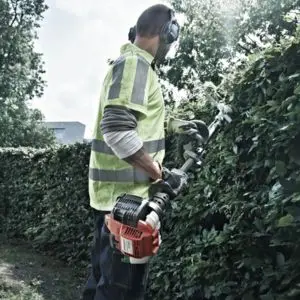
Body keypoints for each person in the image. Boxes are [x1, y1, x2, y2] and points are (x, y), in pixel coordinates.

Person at [81, 4, 201, 300]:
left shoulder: (129, 64)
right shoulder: (136, 65)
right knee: (121, 292)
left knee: (103, 285)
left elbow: (137, 120)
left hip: (115, 202)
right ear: (168, 33)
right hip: (127, 206)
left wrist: (177, 124)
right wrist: (160, 174)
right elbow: (118, 131)